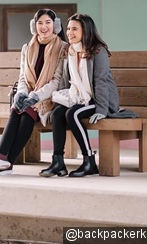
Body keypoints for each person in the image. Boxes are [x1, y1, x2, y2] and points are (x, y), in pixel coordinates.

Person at [0, 9, 68, 175]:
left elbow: (56, 81)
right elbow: (23, 78)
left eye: (48, 22)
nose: (44, 26)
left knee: (26, 110)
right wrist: (21, 94)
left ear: (55, 25)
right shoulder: (27, 47)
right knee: (19, 107)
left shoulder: (62, 48)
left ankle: (2, 156)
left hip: (49, 100)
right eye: (40, 23)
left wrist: (35, 96)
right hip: (30, 99)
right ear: (34, 26)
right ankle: (6, 162)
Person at [40, 13, 123, 178]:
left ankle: (89, 161)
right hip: (78, 97)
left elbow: (101, 81)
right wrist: (59, 101)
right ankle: (58, 162)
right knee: (58, 113)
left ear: (86, 31)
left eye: (75, 29)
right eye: (69, 28)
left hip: (98, 99)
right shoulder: (70, 50)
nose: (70, 32)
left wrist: (101, 109)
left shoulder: (98, 51)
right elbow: (66, 80)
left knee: (73, 113)